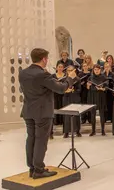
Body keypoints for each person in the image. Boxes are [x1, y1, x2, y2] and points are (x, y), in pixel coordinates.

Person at [19, 48, 76, 179]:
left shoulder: (22, 73)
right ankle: (39, 170)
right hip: (42, 112)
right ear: (44, 59)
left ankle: (32, 168)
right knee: (41, 140)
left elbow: (26, 88)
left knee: (31, 138)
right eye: (47, 58)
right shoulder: (42, 74)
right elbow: (61, 89)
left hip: (28, 110)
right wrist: (70, 79)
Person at [87, 64, 108, 136]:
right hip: (93, 96)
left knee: (102, 114)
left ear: (100, 70)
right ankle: (93, 130)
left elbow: (106, 87)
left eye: (98, 69)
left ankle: (103, 130)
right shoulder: (90, 77)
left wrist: (102, 88)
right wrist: (88, 85)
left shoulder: (103, 77)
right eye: (95, 69)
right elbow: (88, 88)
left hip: (101, 96)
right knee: (93, 114)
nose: (96, 71)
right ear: (93, 70)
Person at [62, 65, 82, 138]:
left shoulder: (78, 79)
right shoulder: (65, 79)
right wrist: (67, 90)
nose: (70, 72)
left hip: (75, 98)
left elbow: (79, 90)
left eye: (71, 70)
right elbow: (62, 89)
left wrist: (74, 90)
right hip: (67, 98)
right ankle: (66, 132)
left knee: (76, 115)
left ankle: (77, 131)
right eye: (68, 70)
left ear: (74, 71)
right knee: (66, 115)